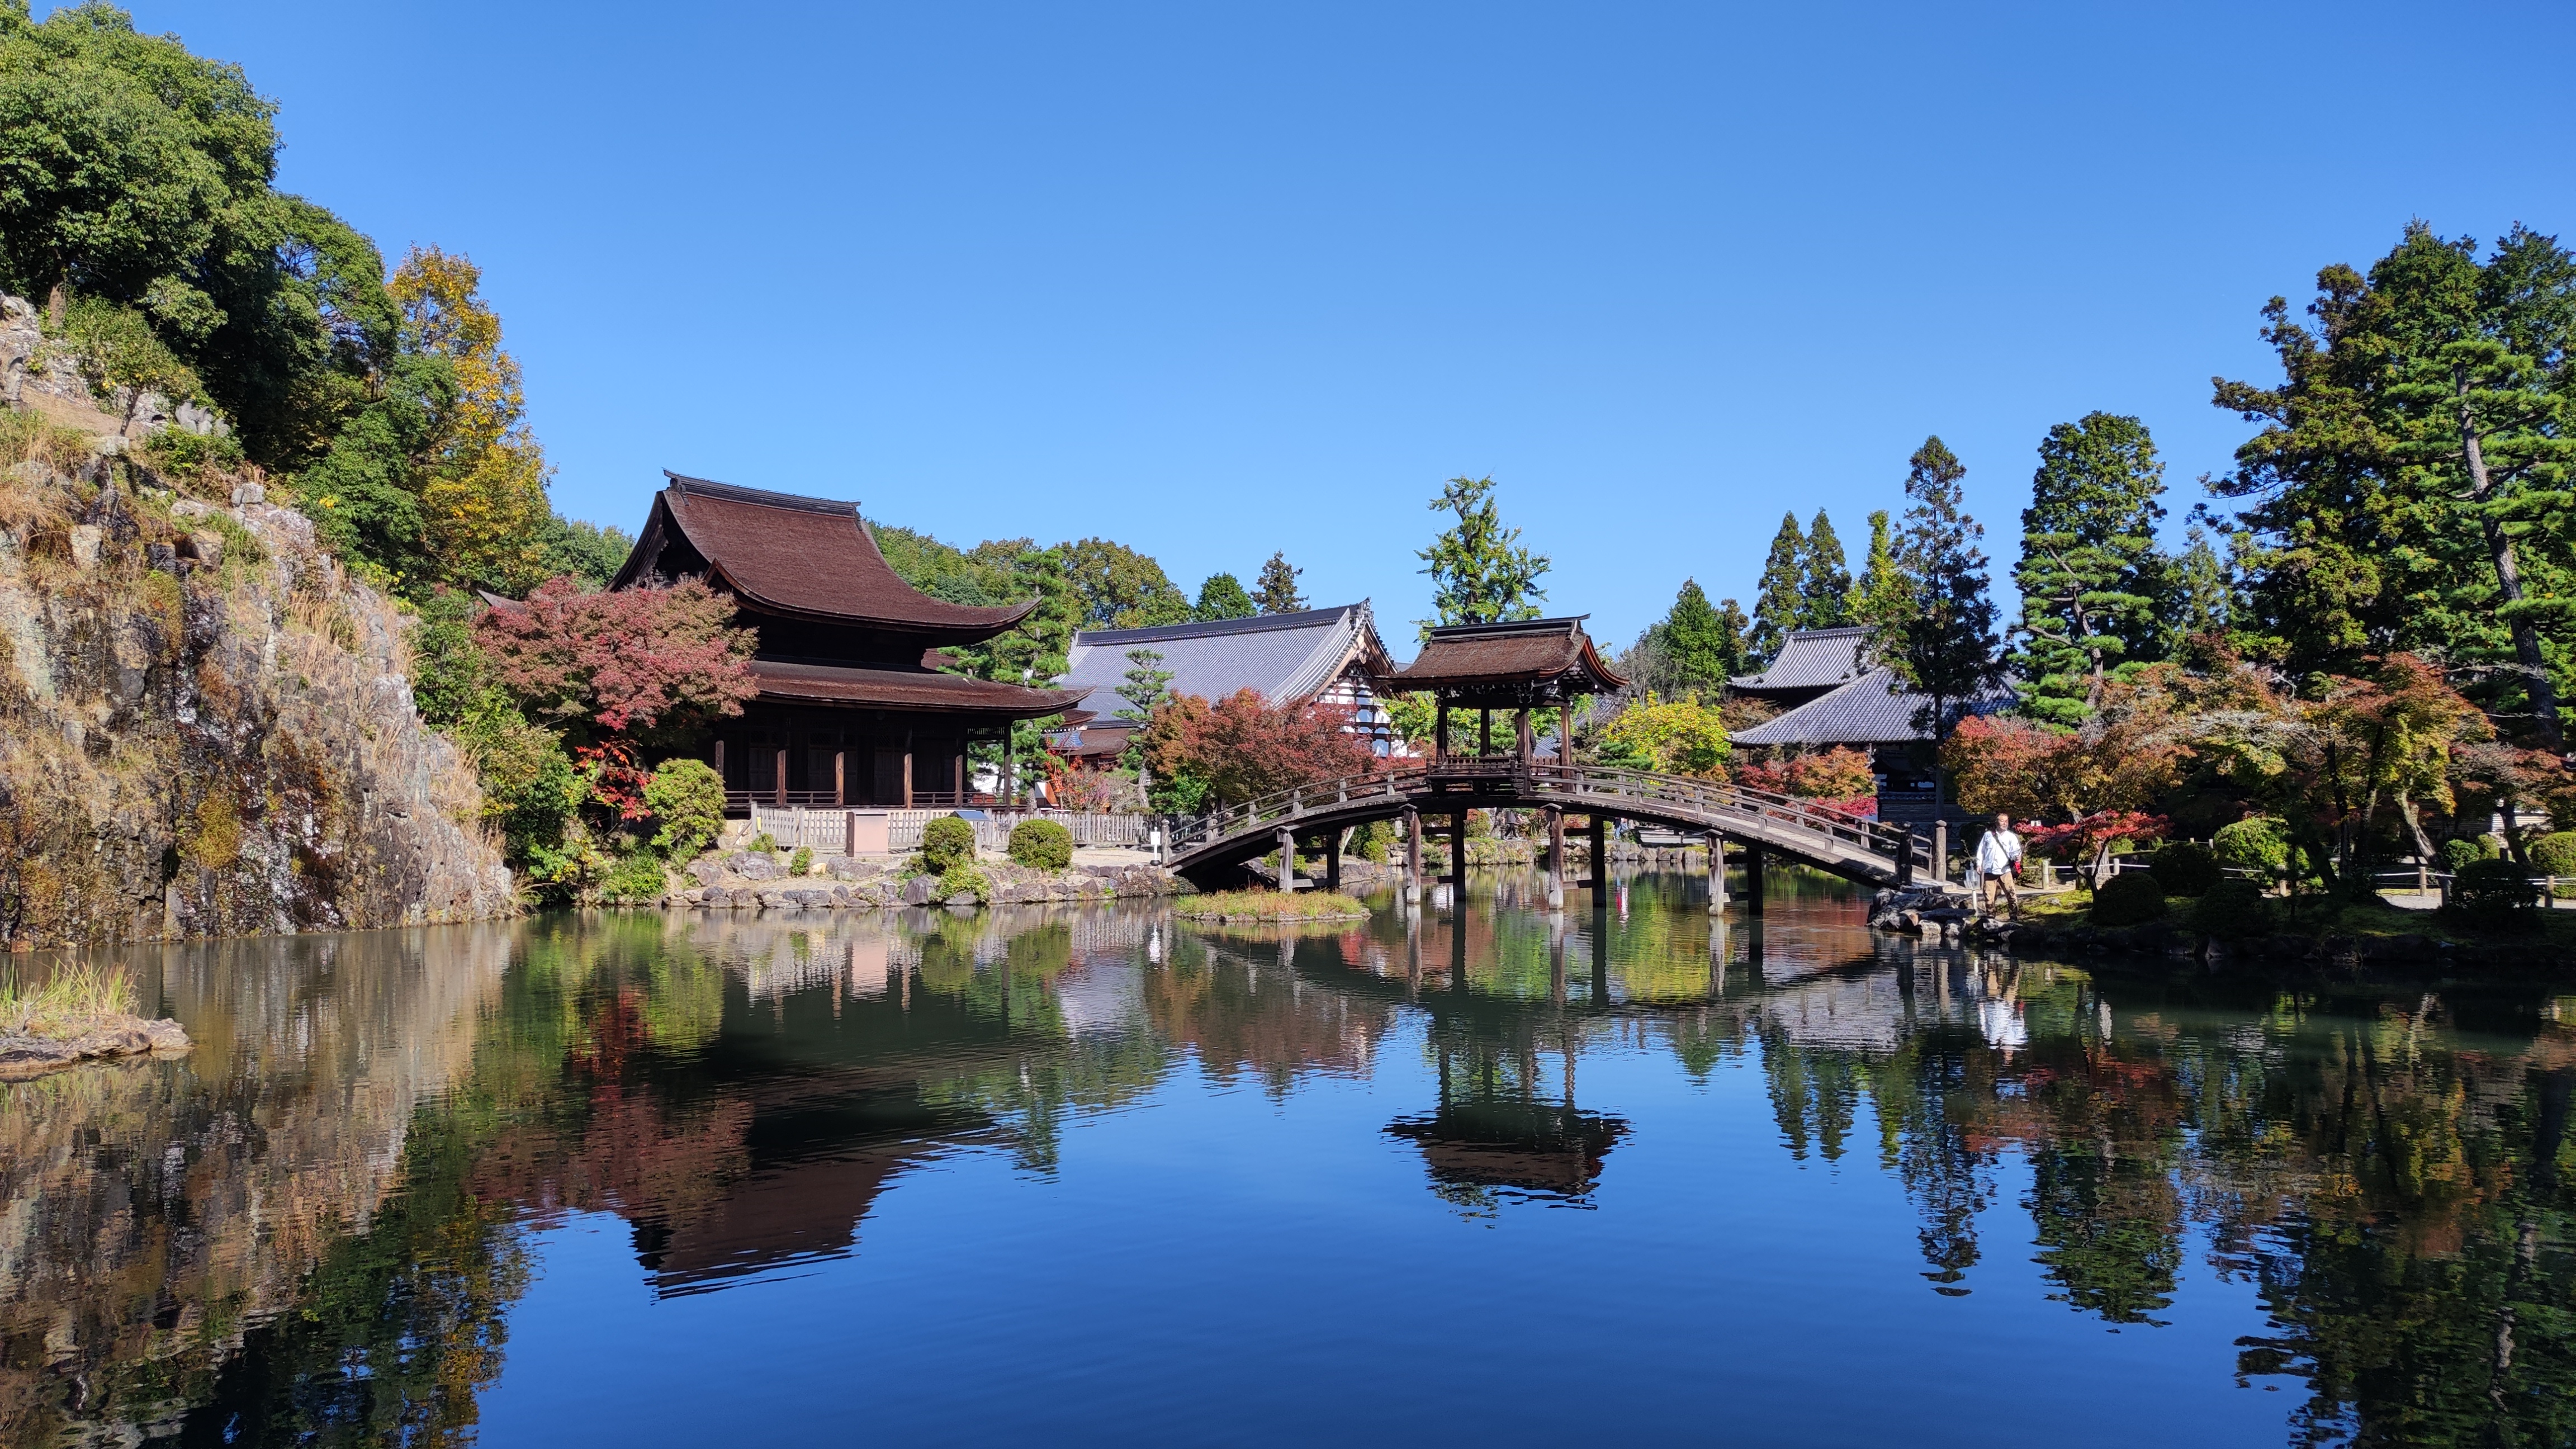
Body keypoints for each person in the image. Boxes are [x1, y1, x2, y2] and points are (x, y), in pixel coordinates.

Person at [1974, 812, 2024, 918]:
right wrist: (1979, 864)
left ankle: (2014, 916)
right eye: (2002, 821)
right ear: (1997, 823)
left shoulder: (2011, 837)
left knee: (2011, 894)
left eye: (2007, 821)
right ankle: (1991, 917)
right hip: (1989, 870)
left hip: (2005, 870)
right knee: (1989, 896)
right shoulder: (1988, 835)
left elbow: (2015, 851)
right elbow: (1981, 851)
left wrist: (2017, 857)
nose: (2005, 823)